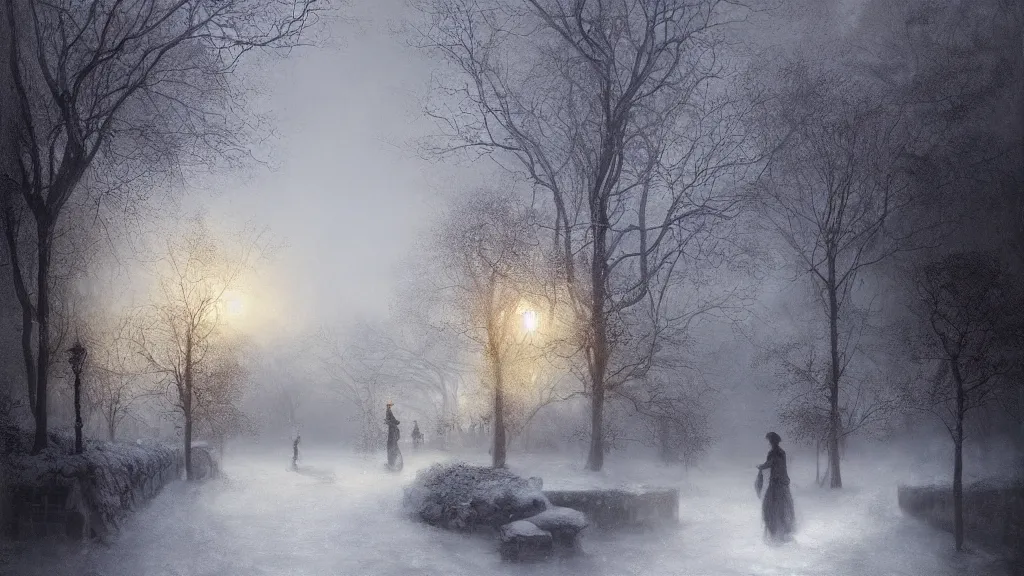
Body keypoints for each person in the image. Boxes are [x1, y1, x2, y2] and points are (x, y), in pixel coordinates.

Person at [757, 431, 796, 541]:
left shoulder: (773, 452)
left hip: (776, 483)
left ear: (772, 441)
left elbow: (770, 463)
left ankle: (776, 532)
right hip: (783, 482)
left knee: (771, 507)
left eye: (769, 440)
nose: (769, 442)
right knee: (784, 505)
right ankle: (785, 530)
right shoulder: (782, 452)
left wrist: (761, 467)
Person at [385, 402, 402, 470]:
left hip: (392, 437)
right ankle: (392, 463)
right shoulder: (389, 412)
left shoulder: (389, 412)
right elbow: (391, 419)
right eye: (389, 406)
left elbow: (392, 420)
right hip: (392, 437)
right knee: (392, 448)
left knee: (392, 447)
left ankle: (392, 463)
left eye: (390, 406)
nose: (390, 406)